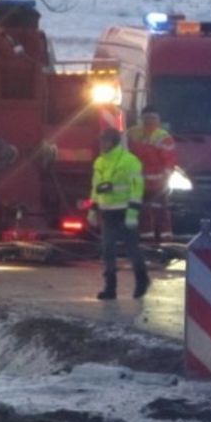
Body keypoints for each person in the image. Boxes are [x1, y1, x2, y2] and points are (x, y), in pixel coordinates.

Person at [88, 128, 151, 300]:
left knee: (132, 249)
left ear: (113, 142)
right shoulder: (100, 162)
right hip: (107, 212)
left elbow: (137, 189)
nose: (102, 144)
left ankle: (142, 280)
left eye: (105, 141)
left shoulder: (130, 161)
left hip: (125, 211)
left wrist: (133, 213)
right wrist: (93, 208)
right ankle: (110, 288)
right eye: (101, 141)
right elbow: (96, 188)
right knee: (108, 249)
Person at [127, 105, 177, 243]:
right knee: (149, 212)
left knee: (156, 212)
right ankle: (153, 240)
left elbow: (169, 161)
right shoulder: (132, 134)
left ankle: (161, 240)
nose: (150, 121)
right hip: (145, 183)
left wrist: (164, 179)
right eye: (147, 118)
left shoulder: (161, 137)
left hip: (152, 183)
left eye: (152, 118)